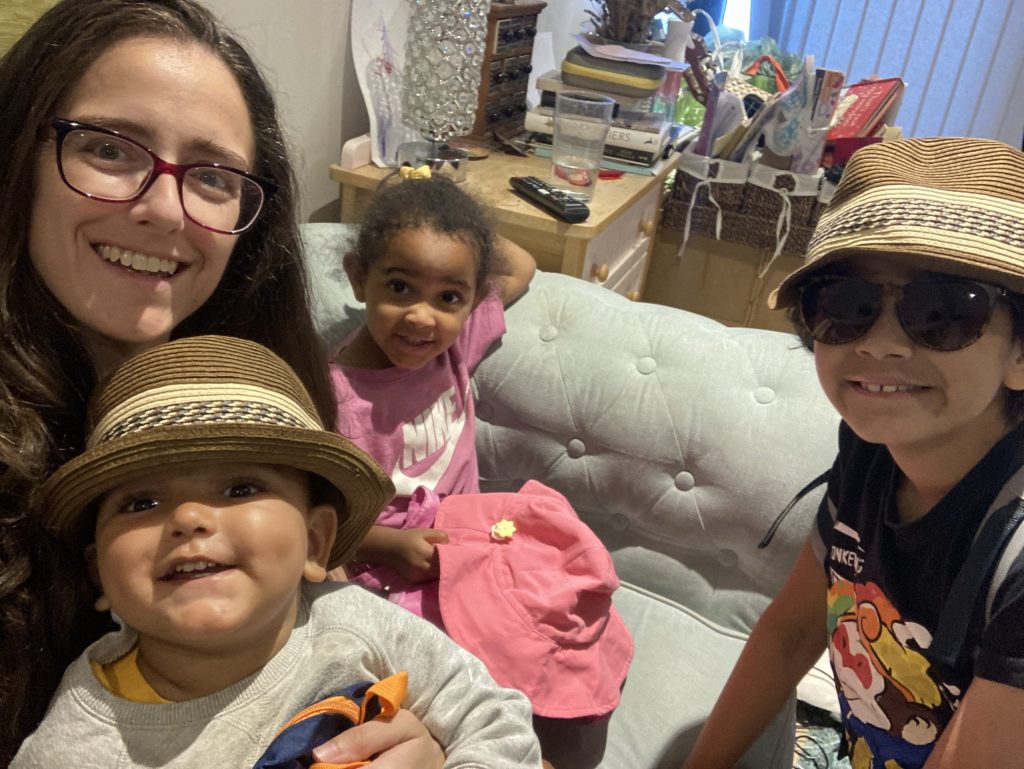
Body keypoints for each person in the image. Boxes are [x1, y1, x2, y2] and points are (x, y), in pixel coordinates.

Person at [0, 1, 440, 763]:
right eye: (108, 149)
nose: (164, 209)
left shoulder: (259, 388)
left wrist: (424, 739)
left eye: (210, 175)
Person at [11, 334, 542, 768]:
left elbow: (493, 717)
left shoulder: (352, 619)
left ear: (315, 543)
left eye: (240, 488)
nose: (188, 518)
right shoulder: (78, 743)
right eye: (141, 501)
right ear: (99, 575)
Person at [682, 137, 1024, 769]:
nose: (882, 344)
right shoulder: (873, 453)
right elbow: (790, 636)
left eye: (943, 311)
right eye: (847, 305)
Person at [330, 171, 536, 610]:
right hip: (387, 570)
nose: (423, 318)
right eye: (400, 288)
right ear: (359, 278)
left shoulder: (459, 337)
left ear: (475, 299)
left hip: (472, 542)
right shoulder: (336, 397)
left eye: (447, 297)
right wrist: (393, 547)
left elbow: (522, 264)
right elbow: (324, 520)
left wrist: (450, 203)